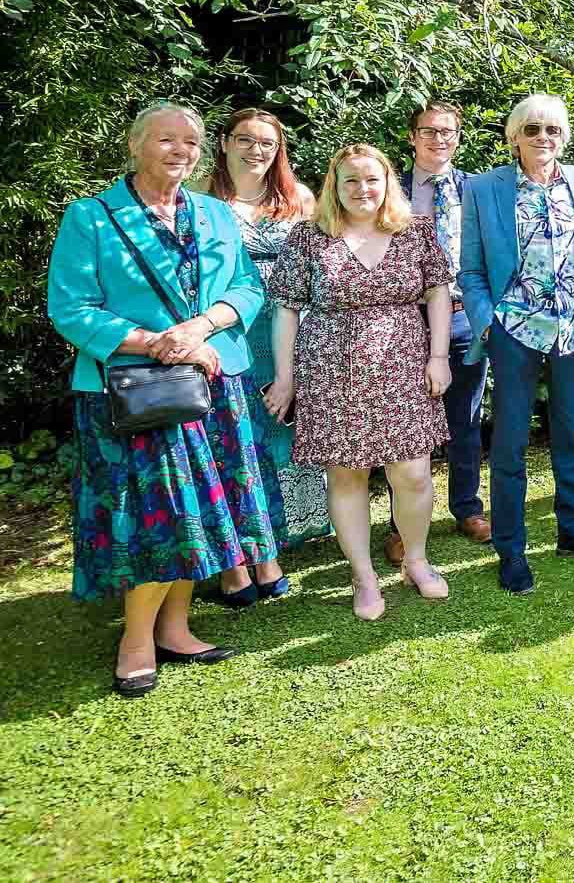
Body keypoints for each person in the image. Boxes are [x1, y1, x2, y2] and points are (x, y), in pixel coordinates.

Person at [47, 102, 279, 697]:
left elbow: (246, 287)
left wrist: (199, 330)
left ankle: (175, 629)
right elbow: (72, 309)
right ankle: (135, 641)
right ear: (135, 145)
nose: (181, 151)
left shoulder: (211, 214)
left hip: (215, 380)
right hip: (134, 391)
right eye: (166, 140)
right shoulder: (91, 219)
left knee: (199, 510)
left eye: (192, 142)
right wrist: (158, 343)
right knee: (155, 514)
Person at [262, 145, 454, 620]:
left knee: (412, 473)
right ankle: (364, 576)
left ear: (388, 181)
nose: (362, 189)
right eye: (351, 180)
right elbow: (285, 307)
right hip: (331, 372)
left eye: (372, 179)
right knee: (346, 476)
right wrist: (284, 377)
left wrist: (440, 356)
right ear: (335, 185)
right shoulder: (308, 237)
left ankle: (416, 560)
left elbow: (438, 293)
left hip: (405, 367)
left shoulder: (416, 233)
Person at [459, 94, 574, 595]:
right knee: (509, 441)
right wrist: (488, 324)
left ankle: (573, 529)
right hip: (514, 331)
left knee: (572, 433)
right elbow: (470, 270)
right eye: (532, 130)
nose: (543, 138)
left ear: (564, 136)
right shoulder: (484, 189)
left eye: (552, 129)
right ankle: (510, 547)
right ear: (514, 138)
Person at [203, 107, 327, 603]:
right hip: (227, 336)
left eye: (268, 143)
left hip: (290, 329)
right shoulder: (200, 202)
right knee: (231, 441)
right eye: (246, 140)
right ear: (225, 143)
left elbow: (322, 269)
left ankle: (280, 538)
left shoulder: (298, 199)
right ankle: (237, 554)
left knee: (285, 427)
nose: (257, 150)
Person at [392, 100, 491, 564]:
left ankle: (466, 507)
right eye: (428, 131)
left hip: (464, 315)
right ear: (412, 137)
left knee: (465, 417)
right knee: (403, 424)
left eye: (447, 132)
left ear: (458, 137)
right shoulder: (389, 189)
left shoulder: (477, 189)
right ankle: (402, 524)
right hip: (404, 319)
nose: (438, 139)